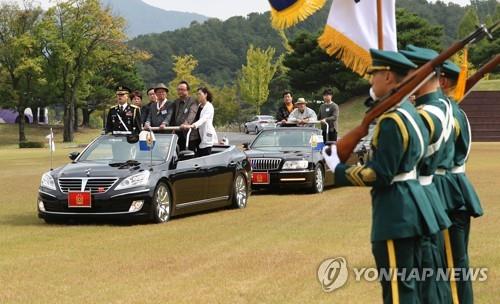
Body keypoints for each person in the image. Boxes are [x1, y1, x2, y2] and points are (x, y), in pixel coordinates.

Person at [322, 49, 440, 304]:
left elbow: (381, 173)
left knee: (398, 291)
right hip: (416, 207)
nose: (370, 81)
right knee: (412, 288)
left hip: (396, 213)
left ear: (388, 76)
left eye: (374, 74)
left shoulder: (391, 121)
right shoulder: (411, 113)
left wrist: (339, 171)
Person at [400, 45, 459, 304]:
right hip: (427, 193)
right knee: (431, 273)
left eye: (408, 72)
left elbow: (405, 157)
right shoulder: (438, 107)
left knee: (423, 276)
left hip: (419, 193)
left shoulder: (428, 112)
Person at [439, 59, 483, 304]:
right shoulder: (455, 112)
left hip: (449, 191)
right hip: (454, 188)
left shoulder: (448, 113)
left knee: (453, 262)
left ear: (443, 81)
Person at [183, 87, 218, 157]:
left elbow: (203, 119)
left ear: (205, 95)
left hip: (207, 135)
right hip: (199, 136)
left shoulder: (209, 107)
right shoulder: (199, 106)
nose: (198, 96)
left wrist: (193, 125)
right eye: (197, 94)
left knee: (206, 155)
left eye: (199, 94)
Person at [171, 81, 199, 150]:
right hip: (178, 133)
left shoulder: (193, 101)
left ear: (187, 90)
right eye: (178, 89)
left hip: (189, 134)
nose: (180, 91)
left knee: (188, 155)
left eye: (182, 89)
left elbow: (192, 114)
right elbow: (173, 116)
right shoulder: (176, 102)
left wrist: (186, 124)